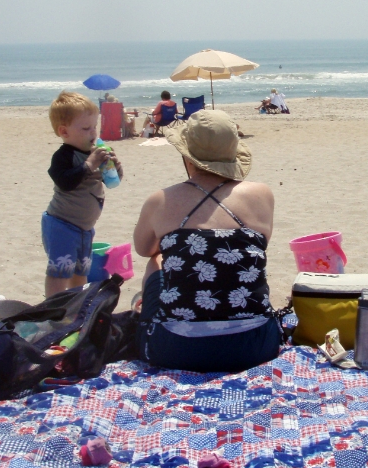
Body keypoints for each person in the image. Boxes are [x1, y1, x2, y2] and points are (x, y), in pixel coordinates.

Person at [133, 109, 282, 372]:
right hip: (256, 345)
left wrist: (177, 237)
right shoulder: (262, 194)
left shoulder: (160, 200)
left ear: (187, 157)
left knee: (156, 259)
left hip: (176, 349)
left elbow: (144, 249)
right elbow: (259, 243)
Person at [42, 91, 124, 298]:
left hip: (85, 228)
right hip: (62, 224)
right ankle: (55, 309)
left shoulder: (93, 154)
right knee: (60, 272)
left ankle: (76, 304)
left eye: (94, 127)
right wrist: (89, 165)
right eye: (86, 128)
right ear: (64, 131)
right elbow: (65, 181)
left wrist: (116, 168)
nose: (93, 133)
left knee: (81, 272)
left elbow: (110, 182)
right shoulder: (63, 156)